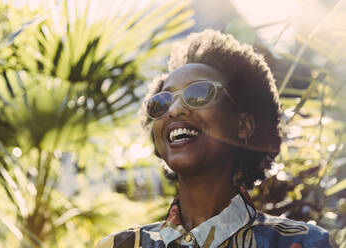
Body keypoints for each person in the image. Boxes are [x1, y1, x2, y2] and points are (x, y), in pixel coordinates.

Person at [97, 29, 338, 248]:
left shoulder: (305, 243)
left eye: (199, 93)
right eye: (162, 101)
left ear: (242, 125)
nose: (174, 110)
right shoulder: (119, 245)